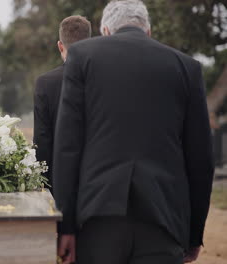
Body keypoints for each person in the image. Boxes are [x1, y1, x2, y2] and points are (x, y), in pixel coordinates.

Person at [53, 1, 214, 264]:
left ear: (105, 30)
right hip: (164, 221)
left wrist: (66, 226)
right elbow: (201, 159)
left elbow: (67, 148)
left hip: (98, 218)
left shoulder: (82, 57)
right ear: (148, 31)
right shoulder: (187, 67)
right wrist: (194, 233)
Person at [33, 15, 91, 191]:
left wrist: (43, 183)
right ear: (90, 42)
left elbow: (42, 140)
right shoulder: (103, 78)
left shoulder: (45, 83)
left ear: (60, 46)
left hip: (60, 181)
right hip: (98, 180)